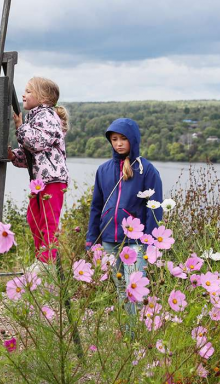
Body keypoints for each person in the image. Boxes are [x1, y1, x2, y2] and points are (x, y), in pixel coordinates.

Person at [85, 118, 163, 315]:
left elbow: (154, 210)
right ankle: (129, 336)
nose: (118, 143)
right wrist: (91, 240)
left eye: (123, 139)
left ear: (134, 140)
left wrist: (152, 244)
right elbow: (96, 207)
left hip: (136, 243)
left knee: (135, 292)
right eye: (114, 139)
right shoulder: (103, 170)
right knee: (121, 291)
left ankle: (136, 338)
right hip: (110, 240)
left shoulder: (147, 170)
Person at [8, 77, 70, 266]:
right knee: (34, 219)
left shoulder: (47, 116)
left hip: (53, 179)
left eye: (28, 91)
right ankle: (41, 258)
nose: (23, 95)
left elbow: (37, 143)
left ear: (42, 98)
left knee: (48, 223)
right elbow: (32, 155)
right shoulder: (34, 117)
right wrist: (13, 156)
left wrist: (20, 127)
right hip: (40, 181)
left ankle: (46, 264)